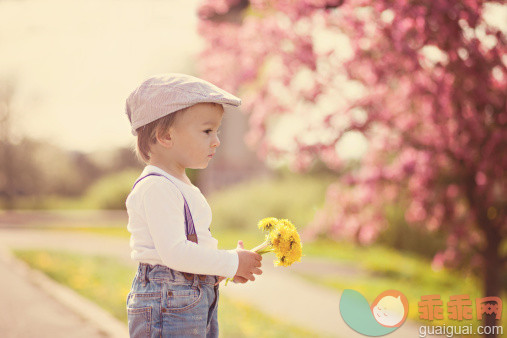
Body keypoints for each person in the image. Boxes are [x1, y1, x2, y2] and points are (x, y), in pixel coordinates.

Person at [124, 73, 263, 337]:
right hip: (169, 303)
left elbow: (190, 247)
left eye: (217, 131)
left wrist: (217, 268)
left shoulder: (180, 184)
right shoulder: (157, 187)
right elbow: (175, 253)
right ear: (165, 136)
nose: (216, 140)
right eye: (207, 131)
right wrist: (230, 262)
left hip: (187, 300)